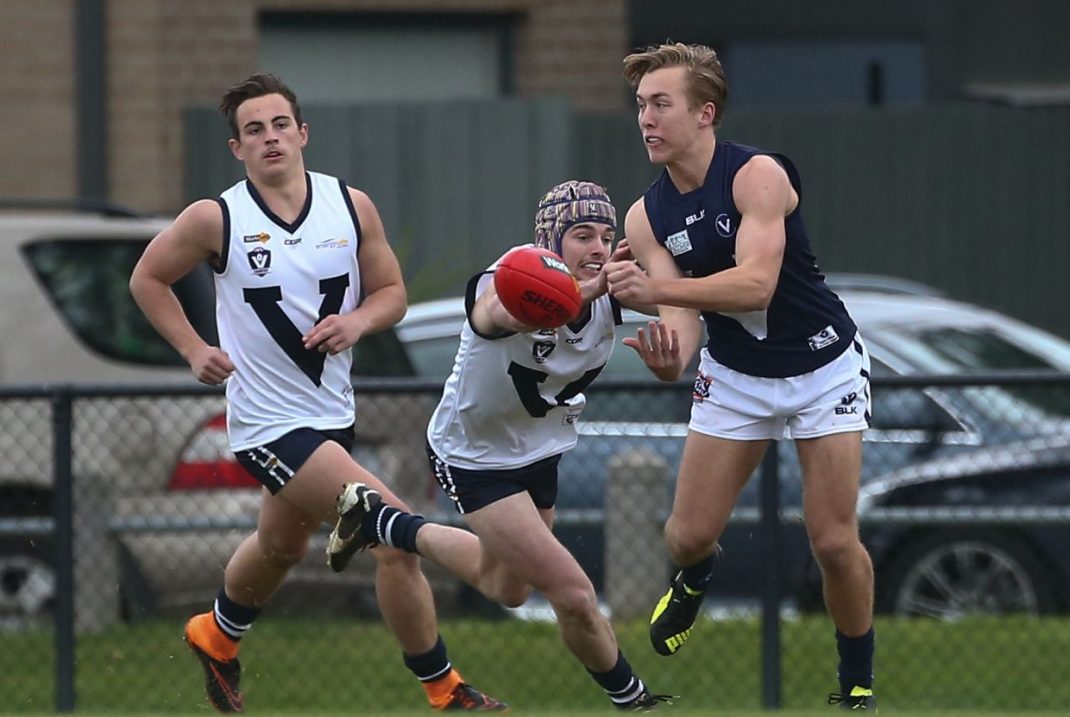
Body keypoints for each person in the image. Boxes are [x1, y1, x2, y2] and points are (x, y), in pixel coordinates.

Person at [129, 73, 505, 714]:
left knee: (281, 546)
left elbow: (392, 294)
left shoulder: (349, 204)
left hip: (334, 415)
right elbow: (147, 279)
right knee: (392, 534)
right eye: (254, 130)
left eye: (279, 125)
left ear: (302, 134)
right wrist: (194, 349)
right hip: (267, 425)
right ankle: (447, 691)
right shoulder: (216, 217)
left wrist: (357, 320)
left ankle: (215, 634)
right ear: (237, 148)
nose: (270, 138)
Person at [326, 180, 672, 711]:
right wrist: (591, 289)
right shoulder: (514, 274)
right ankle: (637, 701)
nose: (599, 248)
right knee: (575, 596)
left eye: (607, 236)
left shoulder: (610, 288)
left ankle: (382, 524)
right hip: (475, 456)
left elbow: (683, 308)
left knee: (507, 587)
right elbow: (505, 311)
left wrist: (673, 343)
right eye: (581, 235)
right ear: (551, 241)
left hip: (541, 451)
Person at [605, 43, 877, 711]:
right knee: (685, 534)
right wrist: (669, 349)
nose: (646, 118)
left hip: (821, 362)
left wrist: (659, 290)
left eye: (661, 103)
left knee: (834, 539)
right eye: (640, 105)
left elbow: (757, 285)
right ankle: (696, 575)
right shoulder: (645, 216)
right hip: (735, 373)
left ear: (706, 112)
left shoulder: (758, 176)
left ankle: (858, 684)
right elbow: (682, 321)